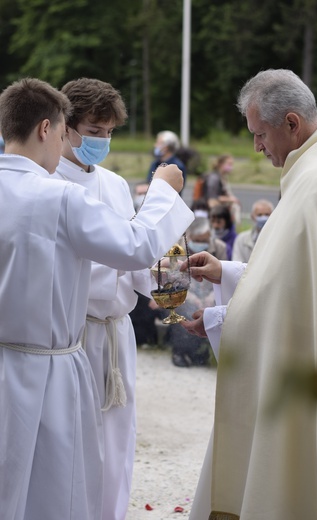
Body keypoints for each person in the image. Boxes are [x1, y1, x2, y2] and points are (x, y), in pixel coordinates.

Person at [0, 77, 194, 520]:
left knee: (115, 450)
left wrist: (173, 283)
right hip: (68, 340)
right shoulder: (57, 190)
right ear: (58, 128)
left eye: (109, 133)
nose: (102, 142)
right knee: (65, 470)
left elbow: (142, 260)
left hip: (111, 331)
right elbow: (133, 243)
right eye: (93, 131)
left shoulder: (112, 184)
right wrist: (165, 192)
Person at [180, 68, 317, 520]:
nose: (256, 146)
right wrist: (227, 272)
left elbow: (294, 305)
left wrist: (215, 320)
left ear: (292, 123)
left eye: (260, 134)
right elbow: (298, 281)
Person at [168, 217, 227, 367]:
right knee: (182, 307)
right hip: (185, 292)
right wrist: (192, 297)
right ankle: (179, 351)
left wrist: (211, 296)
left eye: (204, 239)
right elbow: (173, 278)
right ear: (190, 236)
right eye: (197, 239)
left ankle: (199, 352)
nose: (201, 243)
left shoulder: (219, 247)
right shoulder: (177, 249)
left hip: (210, 292)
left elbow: (225, 274)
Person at [202, 153, 241, 224]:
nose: (231, 167)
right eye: (229, 164)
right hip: (212, 207)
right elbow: (212, 198)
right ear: (221, 164)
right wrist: (230, 199)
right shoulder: (214, 178)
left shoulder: (222, 177)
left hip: (218, 206)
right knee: (235, 207)